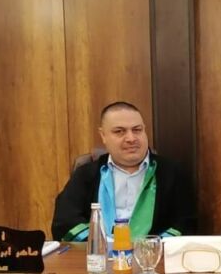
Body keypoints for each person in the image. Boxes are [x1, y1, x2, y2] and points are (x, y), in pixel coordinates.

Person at [52, 101, 196, 241]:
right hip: (98, 254)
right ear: (103, 135)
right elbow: (65, 221)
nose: (131, 138)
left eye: (137, 130)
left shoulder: (172, 173)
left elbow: (185, 223)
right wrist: (100, 245)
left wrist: (152, 247)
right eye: (119, 131)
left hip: (152, 254)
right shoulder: (86, 175)